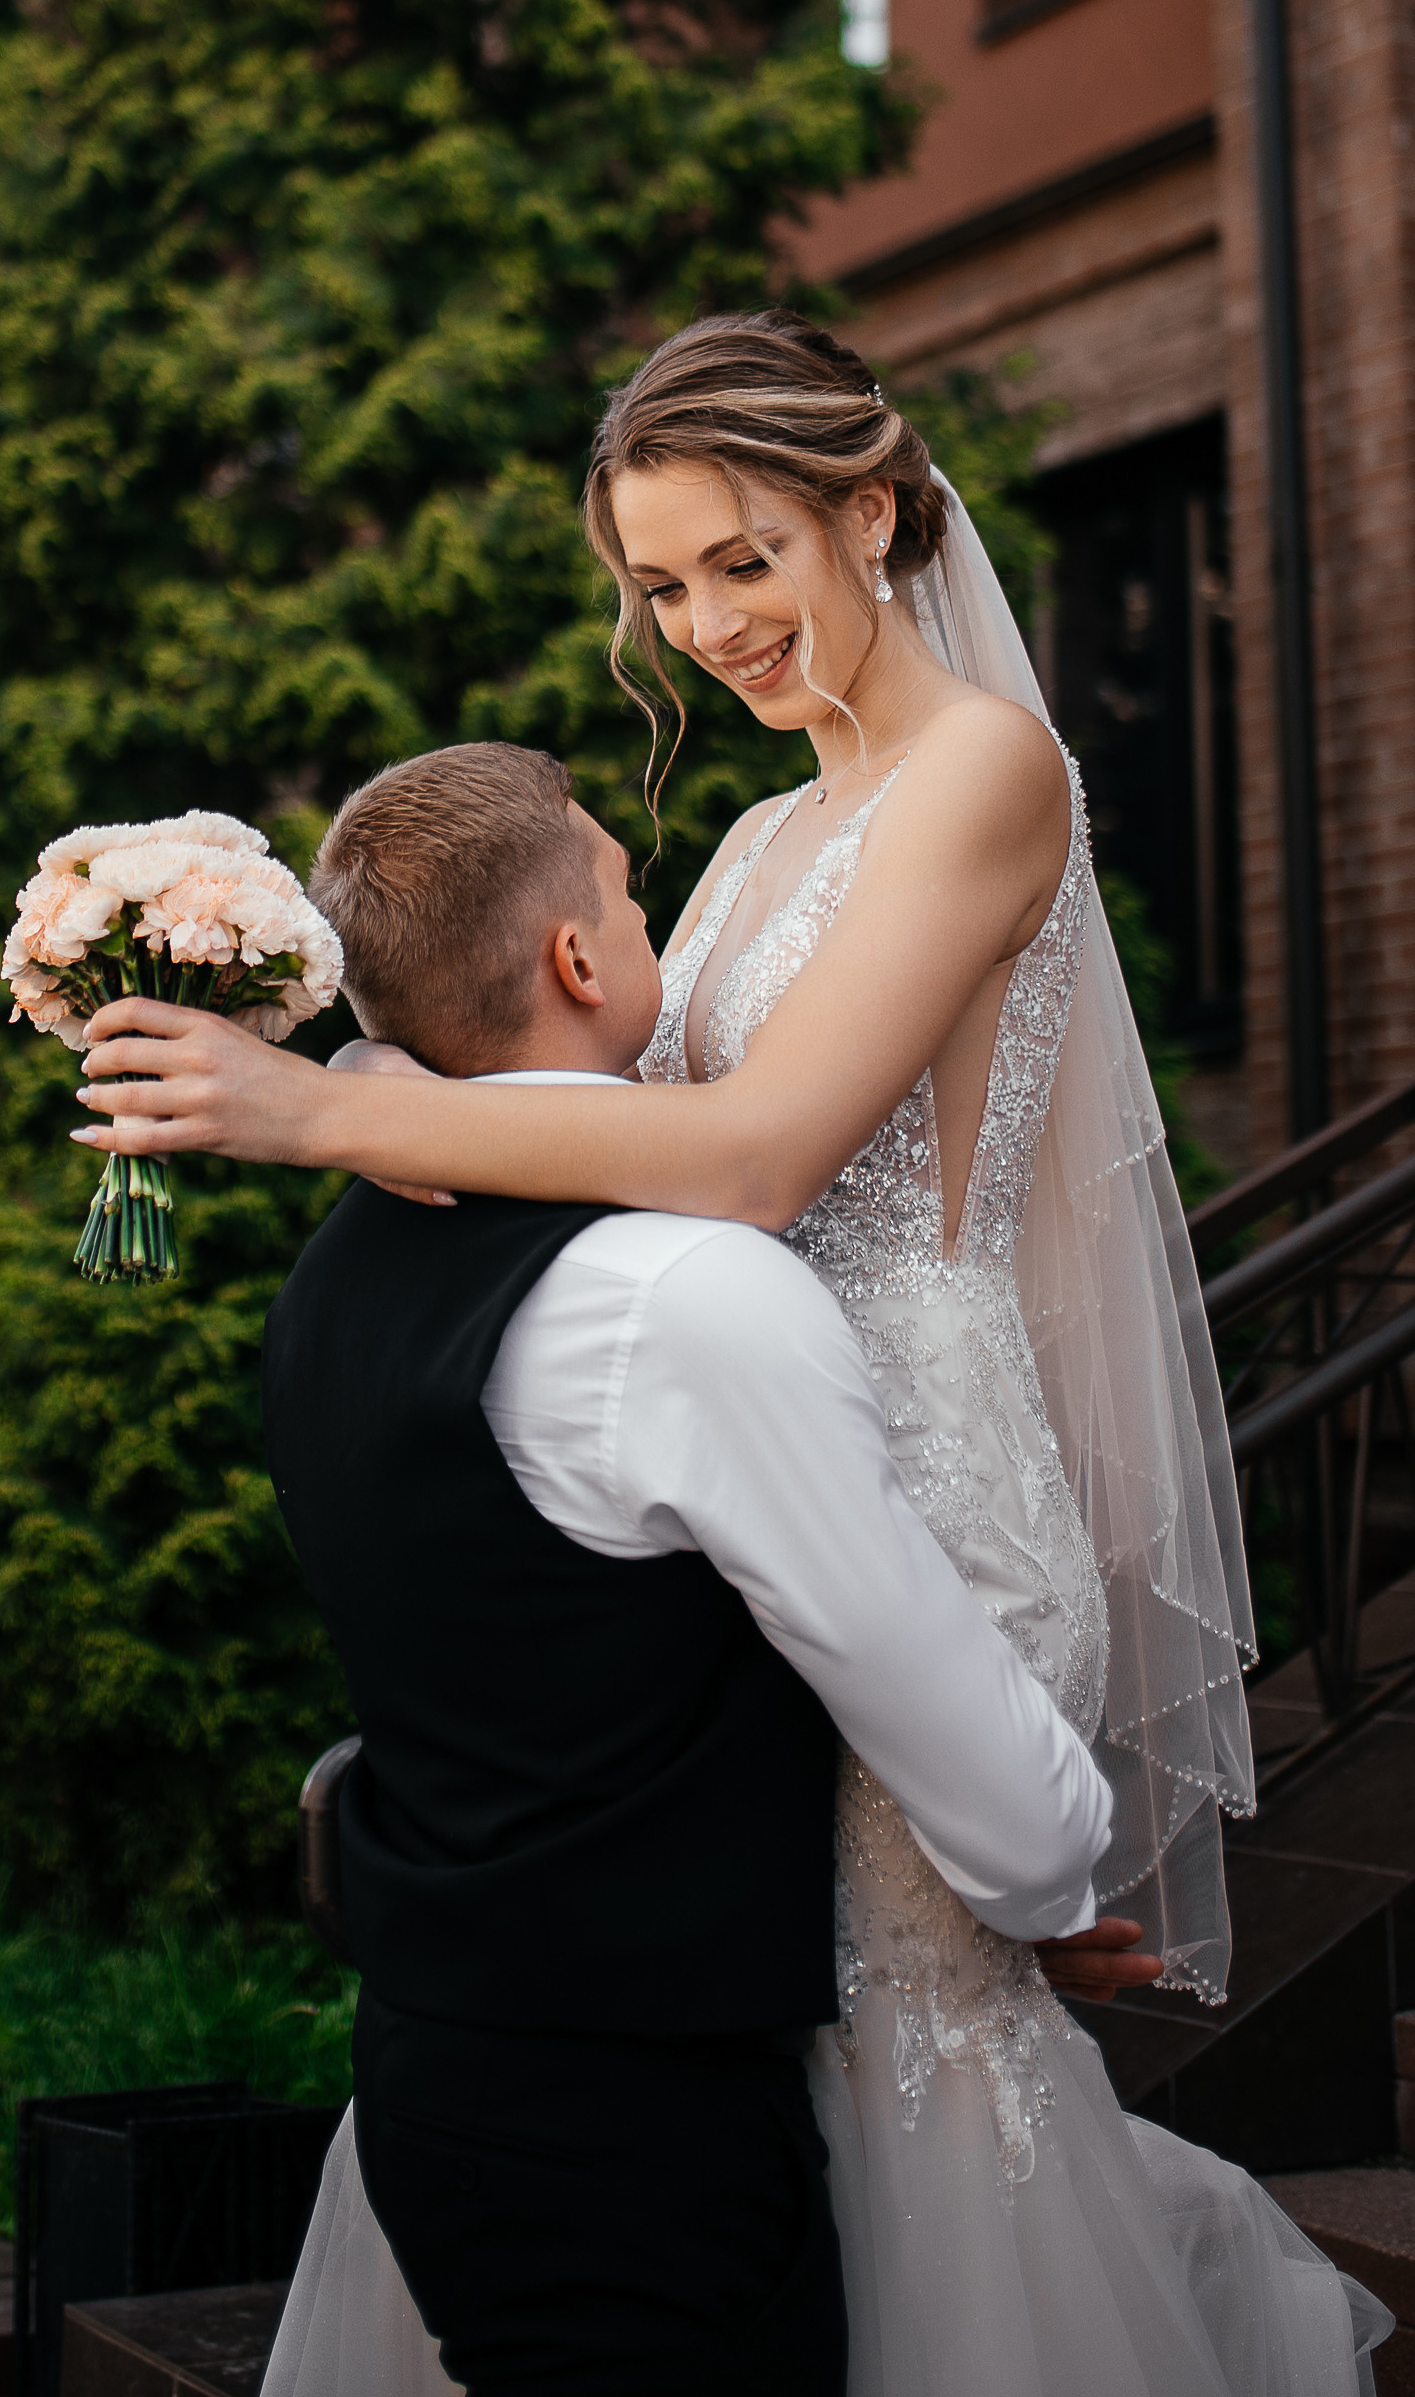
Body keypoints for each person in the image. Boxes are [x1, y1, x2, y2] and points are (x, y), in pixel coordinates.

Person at [77, 311, 1392, 2394]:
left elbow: (756, 1155)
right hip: (740, 1494)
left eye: (743, 560)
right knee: (783, 2049)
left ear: (867, 513)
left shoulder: (984, 771)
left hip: (911, 1486)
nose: (704, 624)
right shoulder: (773, 828)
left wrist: (320, 1108)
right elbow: (594, 1125)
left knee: (916, 2062)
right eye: (661, 585)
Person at [256, 739, 1126, 2397]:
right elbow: (895, 1652)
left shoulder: (341, 1266)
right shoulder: (684, 1292)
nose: (655, 916)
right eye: (630, 893)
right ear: (580, 961)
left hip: (440, 2062)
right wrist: (1052, 1882)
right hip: (636, 2128)